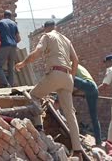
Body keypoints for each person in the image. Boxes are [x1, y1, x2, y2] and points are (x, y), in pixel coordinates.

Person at [15, 20, 83, 159]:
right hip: (67, 76)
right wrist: (71, 77)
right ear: (56, 27)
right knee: (70, 114)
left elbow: (37, 52)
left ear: (45, 28)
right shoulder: (66, 39)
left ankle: (39, 128)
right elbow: (75, 60)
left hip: (55, 72)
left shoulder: (47, 36)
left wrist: (22, 63)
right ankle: (77, 150)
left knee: (34, 95)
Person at [0, 10, 21, 87]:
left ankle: (6, 84)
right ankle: (11, 85)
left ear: (4, 15)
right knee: (11, 67)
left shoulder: (1, 22)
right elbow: (19, 39)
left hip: (5, 46)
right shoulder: (14, 24)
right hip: (13, 47)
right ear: (11, 16)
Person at [74, 64, 102, 145]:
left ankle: (57, 98)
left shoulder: (72, 64)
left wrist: (72, 92)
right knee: (94, 117)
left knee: (65, 75)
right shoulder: (80, 67)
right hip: (93, 89)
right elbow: (80, 85)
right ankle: (99, 141)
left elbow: (72, 80)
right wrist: (75, 93)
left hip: (88, 85)